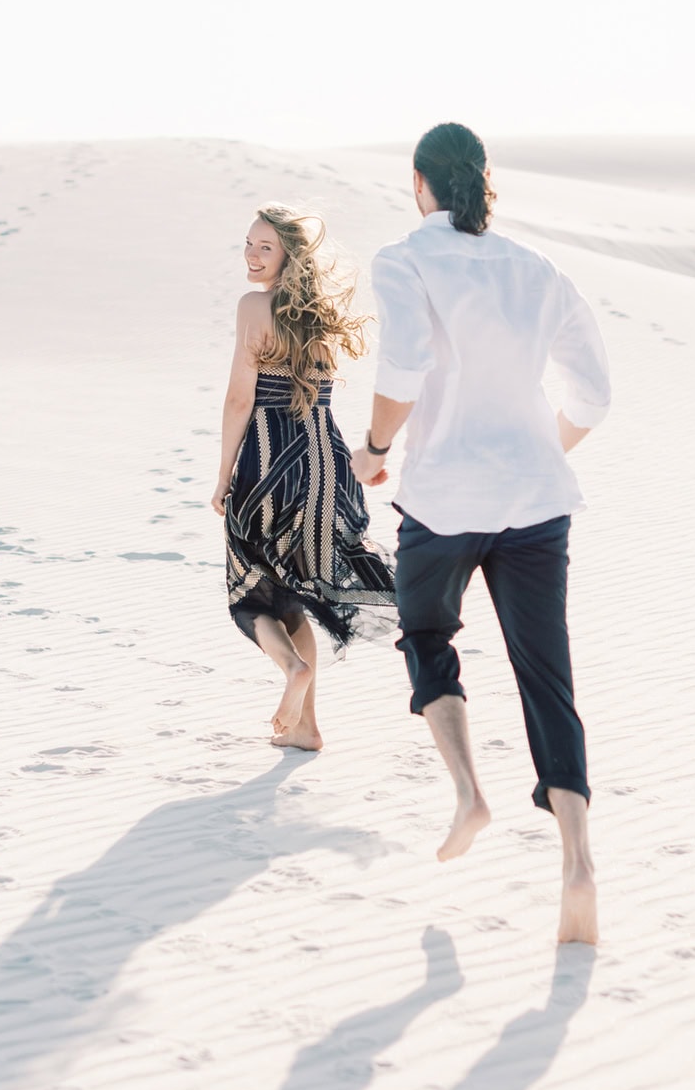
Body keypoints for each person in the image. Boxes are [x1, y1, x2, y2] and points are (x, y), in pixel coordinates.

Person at [349, 123, 613, 944]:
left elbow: (403, 368)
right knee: (548, 675)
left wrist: (376, 449)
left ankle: (468, 793)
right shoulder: (537, 270)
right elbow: (594, 394)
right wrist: (537, 450)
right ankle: (577, 860)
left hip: (445, 498)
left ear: (423, 185)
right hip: (537, 499)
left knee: (426, 629)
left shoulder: (404, 259)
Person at [214, 204, 397, 751]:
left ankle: (293, 671)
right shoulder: (317, 316)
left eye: (265, 247)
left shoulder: (254, 306)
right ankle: (306, 728)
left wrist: (223, 477)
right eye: (248, 243)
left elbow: (239, 398)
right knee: (294, 595)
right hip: (324, 463)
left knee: (250, 593)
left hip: (268, 462)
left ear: (289, 256)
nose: (252, 254)